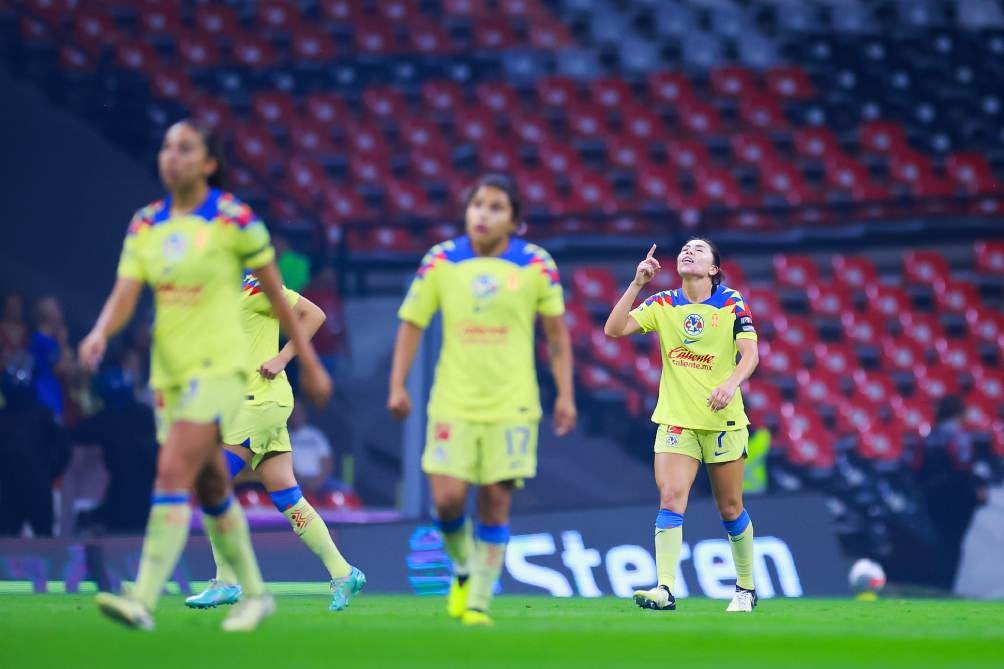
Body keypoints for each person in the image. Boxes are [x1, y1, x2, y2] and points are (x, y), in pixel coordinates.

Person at [78, 119, 331, 632]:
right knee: (212, 484)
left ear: (209, 163)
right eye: (168, 147)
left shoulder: (236, 220)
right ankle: (254, 594)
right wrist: (102, 331)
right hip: (171, 373)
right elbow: (128, 289)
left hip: (224, 372)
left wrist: (304, 361)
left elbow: (283, 301)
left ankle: (142, 598)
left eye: (186, 148)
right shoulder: (147, 223)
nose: (173, 156)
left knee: (173, 471)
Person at [387, 174, 577, 626]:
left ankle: (477, 603)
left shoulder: (536, 264)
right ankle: (463, 568)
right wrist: (397, 385)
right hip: (453, 400)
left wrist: (565, 394)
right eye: (477, 205)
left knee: (494, 501)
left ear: (514, 220)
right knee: (449, 501)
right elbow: (412, 323)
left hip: (512, 404)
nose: (483, 214)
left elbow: (556, 336)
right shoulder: (441, 260)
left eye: (495, 207)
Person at [184, 270, 363, 612]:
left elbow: (313, 314)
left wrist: (282, 357)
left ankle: (226, 581)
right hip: (253, 403)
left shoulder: (255, 288)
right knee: (287, 495)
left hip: (259, 401)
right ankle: (344, 572)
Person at [604, 239, 760, 613]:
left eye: (700, 250)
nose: (689, 252)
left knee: (730, 508)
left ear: (713, 270)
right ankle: (665, 588)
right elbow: (614, 329)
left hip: (723, 421)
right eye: (686, 248)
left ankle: (745, 588)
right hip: (676, 422)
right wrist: (637, 283)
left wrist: (730, 383)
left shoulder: (731, 302)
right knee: (671, 498)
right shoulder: (664, 303)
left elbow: (751, 353)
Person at [0, 354, 71, 536]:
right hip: (9, 490)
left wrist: (50, 472)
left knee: (44, 538)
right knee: (7, 541)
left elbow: (64, 449)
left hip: (35, 487)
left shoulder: (43, 415)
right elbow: (64, 449)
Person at [0, 290, 28, 365]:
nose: (14, 310)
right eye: (11, 307)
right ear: (5, 308)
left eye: (17, 306)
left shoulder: (27, 331)